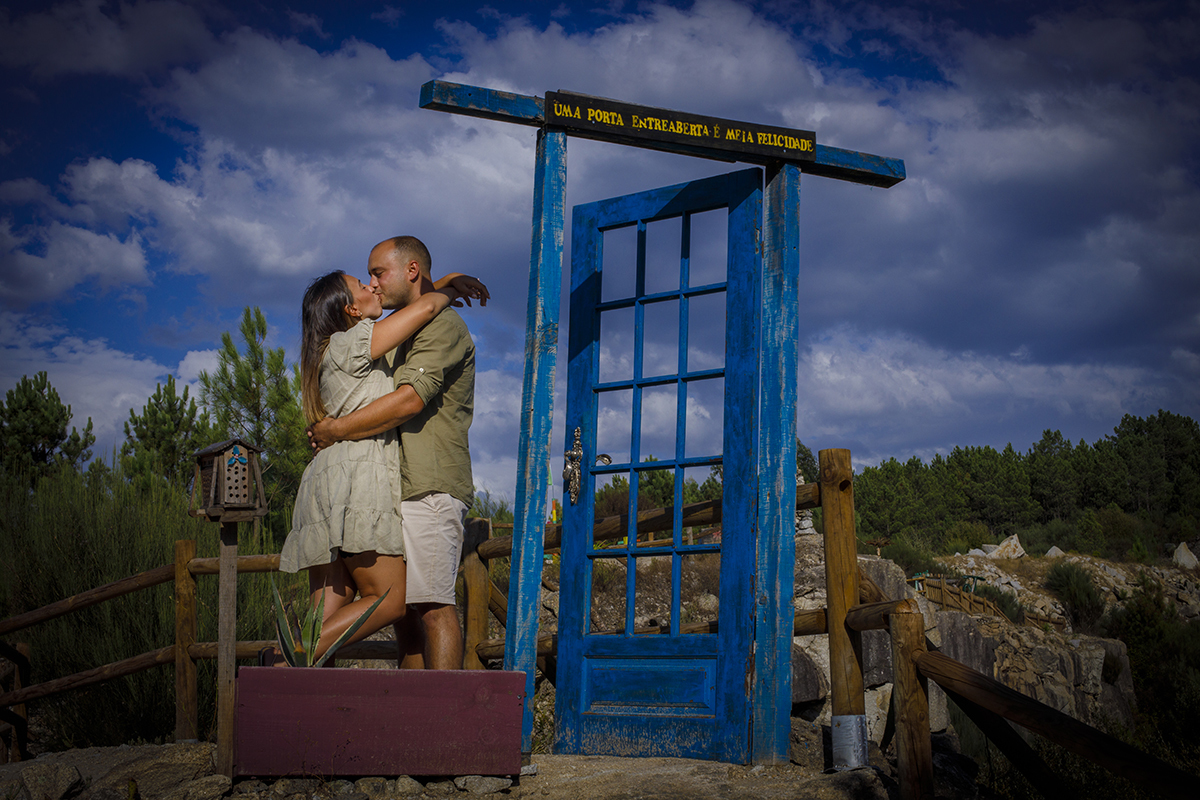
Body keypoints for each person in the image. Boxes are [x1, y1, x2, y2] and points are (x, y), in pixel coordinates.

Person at [279, 265, 487, 663]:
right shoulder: (355, 341)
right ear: (351, 310)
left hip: (324, 481)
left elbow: (404, 311)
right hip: (360, 474)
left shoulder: (329, 350)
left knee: (325, 614)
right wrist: (445, 291)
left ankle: (288, 686)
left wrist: (438, 283)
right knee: (391, 601)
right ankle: (282, 656)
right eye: (362, 284)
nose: (371, 285)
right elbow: (422, 311)